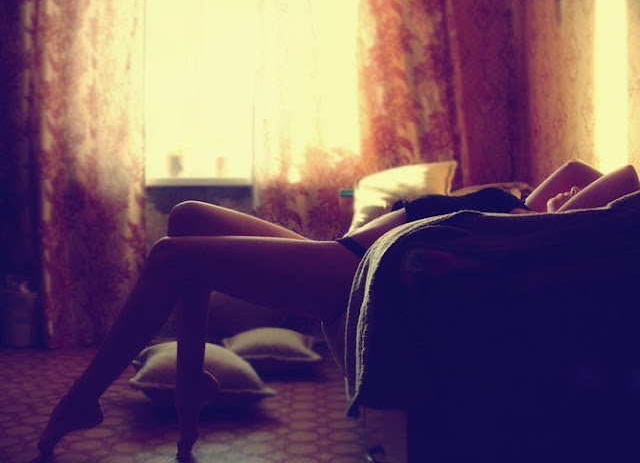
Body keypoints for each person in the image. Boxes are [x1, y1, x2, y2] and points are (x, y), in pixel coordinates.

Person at [37, 159, 640, 459]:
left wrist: (561, 217)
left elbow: (622, 185)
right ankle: (191, 393)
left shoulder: (532, 233)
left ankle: (84, 396)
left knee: (171, 256)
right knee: (187, 216)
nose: (567, 188)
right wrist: (554, 200)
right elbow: (587, 169)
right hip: (337, 250)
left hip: (348, 274)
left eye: (573, 199)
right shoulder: (523, 203)